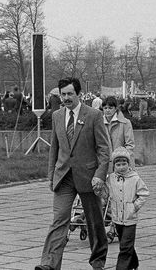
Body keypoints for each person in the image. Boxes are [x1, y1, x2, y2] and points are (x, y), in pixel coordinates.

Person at [37, 77, 111, 270]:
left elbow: (104, 148)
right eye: (63, 94)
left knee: (94, 222)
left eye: (70, 94)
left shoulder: (93, 115)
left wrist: (100, 175)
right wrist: (51, 175)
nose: (66, 98)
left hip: (88, 178)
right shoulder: (57, 115)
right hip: (63, 178)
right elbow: (55, 147)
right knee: (59, 220)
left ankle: (98, 261)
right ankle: (49, 264)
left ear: (79, 94)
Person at [106, 146, 149, 270]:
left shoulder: (135, 178)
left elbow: (144, 193)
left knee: (125, 245)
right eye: (118, 164)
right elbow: (107, 193)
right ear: (114, 165)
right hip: (117, 217)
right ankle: (133, 263)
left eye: (124, 163)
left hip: (130, 217)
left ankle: (122, 267)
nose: (121, 167)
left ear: (128, 163)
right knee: (126, 243)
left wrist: (134, 206)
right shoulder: (111, 178)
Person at [102, 96, 135, 164]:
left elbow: (130, 145)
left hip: (122, 163)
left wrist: (124, 161)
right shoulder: (99, 123)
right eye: (105, 108)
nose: (107, 110)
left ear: (115, 108)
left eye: (110, 108)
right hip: (104, 164)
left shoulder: (125, 123)